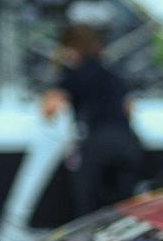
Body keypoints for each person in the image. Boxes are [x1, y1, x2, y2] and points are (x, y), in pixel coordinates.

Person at [42, 23, 144, 217]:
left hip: (97, 143)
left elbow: (50, 108)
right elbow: (129, 108)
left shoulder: (73, 75)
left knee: (88, 212)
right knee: (126, 211)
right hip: (127, 142)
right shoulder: (114, 75)